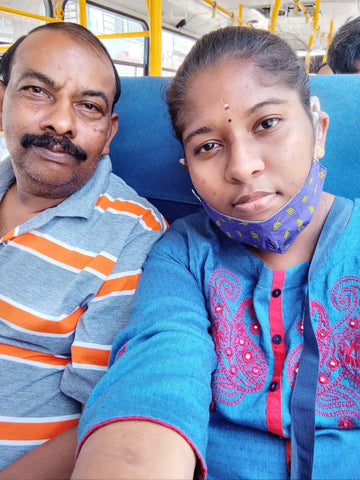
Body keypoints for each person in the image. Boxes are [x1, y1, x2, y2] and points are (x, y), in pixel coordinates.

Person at [72, 26, 360, 479]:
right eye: (208, 146)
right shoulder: (183, 255)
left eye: (267, 124)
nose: (243, 167)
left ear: (318, 128)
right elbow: (157, 367)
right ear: (187, 166)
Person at [0, 21, 166, 478]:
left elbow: (103, 414)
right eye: (37, 91)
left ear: (109, 131)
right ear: (2, 101)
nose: (61, 121)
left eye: (88, 106)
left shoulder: (134, 235)